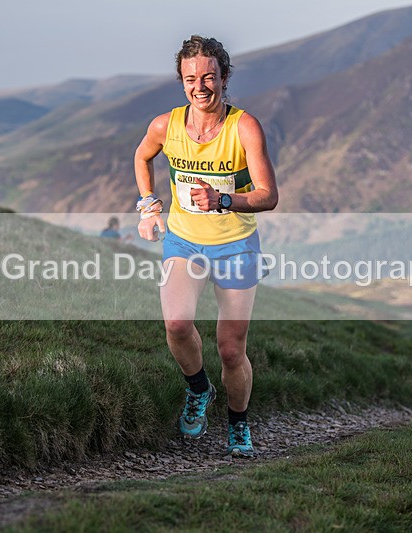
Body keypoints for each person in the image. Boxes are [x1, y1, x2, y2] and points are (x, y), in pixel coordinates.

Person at [133, 35, 278, 457]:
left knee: (232, 350)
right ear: (182, 81)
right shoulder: (166, 125)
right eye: (191, 78)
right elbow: (142, 157)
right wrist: (148, 207)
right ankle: (199, 390)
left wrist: (224, 200)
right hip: (185, 242)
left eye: (209, 77)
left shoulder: (244, 127)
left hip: (235, 246)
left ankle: (238, 424)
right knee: (176, 326)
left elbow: (269, 195)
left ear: (224, 77)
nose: (201, 86)